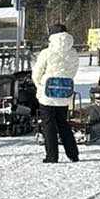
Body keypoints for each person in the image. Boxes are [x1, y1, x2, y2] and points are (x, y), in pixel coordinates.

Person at [31, 23, 81, 163]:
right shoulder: (73, 52)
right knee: (63, 123)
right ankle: (73, 154)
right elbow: (74, 71)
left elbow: (37, 73)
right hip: (64, 93)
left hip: (47, 93)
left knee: (48, 123)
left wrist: (40, 85)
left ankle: (52, 156)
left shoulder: (47, 52)